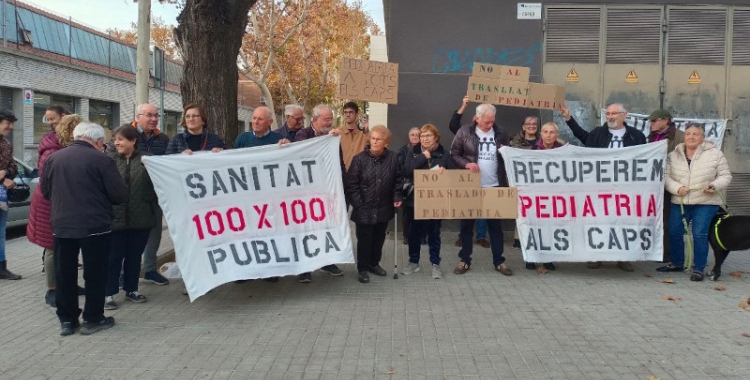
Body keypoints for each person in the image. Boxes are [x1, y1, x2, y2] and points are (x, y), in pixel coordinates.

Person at [41, 122, 128, 336]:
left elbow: (45, 191)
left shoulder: (54, 158)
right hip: (95, 226)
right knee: (95, 274)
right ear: (98, 141)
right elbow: (120, 195)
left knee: (65, 275)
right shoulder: (102, 160)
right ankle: (93, 318)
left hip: (62, 226)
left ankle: (68, 321)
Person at [561, 103, 646, 271]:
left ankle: (623, 257)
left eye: (614, 113)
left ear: (624, 115)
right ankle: (596, 255)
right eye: (608, 113)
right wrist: (569, 119)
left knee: (624, 222)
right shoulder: (598, 133)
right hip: (600, 188)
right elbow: (584, 138)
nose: (610, 116)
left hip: (626, 189)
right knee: (599, 221)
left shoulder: (637, 136)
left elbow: (645, 158)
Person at [658, 123, 732, 281]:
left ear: (703, 138)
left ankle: (698, 268)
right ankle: (677, 263)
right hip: (680, 201)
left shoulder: (715, 154)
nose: (691, 137)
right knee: (674, 231)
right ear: (684, 136)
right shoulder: (674, 155)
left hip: (706, 202)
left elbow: (725, 176)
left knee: (699, 233)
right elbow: (665, 177)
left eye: (695, 134)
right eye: (688, 134)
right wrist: (677, 188)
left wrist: (714, 185)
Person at [450, 103, 512, 276]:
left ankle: (499, 261)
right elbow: (454, 154)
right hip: (471, 186)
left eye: (492, 121)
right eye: (486, 122)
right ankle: (464, 260)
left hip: (494, 185)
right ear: (476, 118)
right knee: (467, 226)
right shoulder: (464, 132)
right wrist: (466, 163)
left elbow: (507, 156)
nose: (490, 125)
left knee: (495, 227)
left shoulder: (501, 133)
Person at [27, 114, 83, 304]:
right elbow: (49, 181)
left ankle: (69, 284)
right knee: (51, 246)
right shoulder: (51, 151)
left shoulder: (63, 148)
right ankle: (52, 289)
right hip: (50, 204)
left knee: (69, 246)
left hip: (63, 202)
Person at [104, 125, 159, 310]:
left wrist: (149, 200)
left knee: (134, 257)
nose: (116, 143)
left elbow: (160, 184)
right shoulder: (108, 160)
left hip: (141, 217)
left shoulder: (148, 160)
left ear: (133, 141)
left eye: (120, 139)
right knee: (113, 258)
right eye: (115, 139)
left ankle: (131, 289)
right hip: (115, 218)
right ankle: (108, 293)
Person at [344, 125, 403, 283]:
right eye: (373, 138)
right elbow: (351, 184)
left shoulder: (393, 158)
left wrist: (397, 196)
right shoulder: (359, 159)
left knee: (379, 238)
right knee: (364, 240)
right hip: (364, 208)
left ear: (387, 143)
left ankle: (374, 264)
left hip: (384, 207)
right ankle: (362, 268)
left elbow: (398, 180)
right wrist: (359, 204)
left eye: (379, 139)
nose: (375, 141)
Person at [294, 104, 344, 283]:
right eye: (327, 119)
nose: (330, 122)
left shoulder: (332, 139)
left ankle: (327, 262)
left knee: (326, 228)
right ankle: (305, 268)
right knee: (306, 230)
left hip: (327, 193)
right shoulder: (303, 135)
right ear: (315, 119)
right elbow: (304, 153)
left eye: (331, 119)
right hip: (306, 194)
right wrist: (326, 141)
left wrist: (342, 186)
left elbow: (340, 164)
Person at [401, 124, 454, 279]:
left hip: (435, 200)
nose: (424, 139)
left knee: (434, 233)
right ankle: (413, 262)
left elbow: (452, 173)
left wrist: (446, 172)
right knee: (414, 233)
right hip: (414, 200)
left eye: (428, 136)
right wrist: (424, 156)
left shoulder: (444, 153)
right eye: (422, 136)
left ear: (436, 137)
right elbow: (407, 170)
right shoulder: (414, 152)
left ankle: (435, 264)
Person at [523, 122, 565, 271]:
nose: (548, 135)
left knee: (550, 229)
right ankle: (531, 258)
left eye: (552, 132)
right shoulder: (531, 150)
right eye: (545, 132)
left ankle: (547, 259)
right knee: (533, 227)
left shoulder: (563, 151)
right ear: (541, 134)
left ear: (557, 135)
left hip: (554, 197)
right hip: (535, 196)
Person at [449, 95, 488, 249]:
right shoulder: (464, 132)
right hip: (468, 176)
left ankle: (481, 236)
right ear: (475, 118)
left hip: (486, 177)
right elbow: (453, 124)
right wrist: (464, 105)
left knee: (483, 208)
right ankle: (463, 236)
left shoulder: (493, 133)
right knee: (466, 207)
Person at [647, 109, 685, 263]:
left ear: (665, 120)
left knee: (669, 220)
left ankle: (667, 254)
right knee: (655, 218)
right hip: (653, 184)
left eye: (654, 120)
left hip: (671, 184)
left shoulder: (680, 137)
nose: (651, 124)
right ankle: (656, 250)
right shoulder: (652, 137)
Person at [509, 116, 541, 248]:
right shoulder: (513, 143)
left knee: (535, 211)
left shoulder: (543, 142)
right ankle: (518, 237)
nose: (531, 126)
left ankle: (535, 237)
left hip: (538, 182)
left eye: (534, 124)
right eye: (528, 124)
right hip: (520, 181)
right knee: (521, 210)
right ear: (523, 127)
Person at [0, 109, 21, 280]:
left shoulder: (6, 144)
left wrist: (5, 173)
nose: (11, 126)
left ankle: (1, 267)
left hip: (2, 196)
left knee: (1, 231)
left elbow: (14, 168)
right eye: (8, 122)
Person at [397, 127, 423, 245]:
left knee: (422, 212)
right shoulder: (402, 151)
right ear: (409, 137)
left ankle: (422, 236)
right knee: (407, 212)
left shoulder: (425, 150)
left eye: (417, 135)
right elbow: (401, 169)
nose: (415, 137)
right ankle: (407, 236)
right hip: (407, 186)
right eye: (412, 135)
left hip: (423, 185)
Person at [338, 102, 369, 172]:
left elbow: (373, 147)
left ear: (357, 115)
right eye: (345, 112)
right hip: (343, 173)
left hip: (361, 174)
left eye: (351, 112)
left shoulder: (364, 132)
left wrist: (366, 131)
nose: (347, 115)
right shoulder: (337, 133)